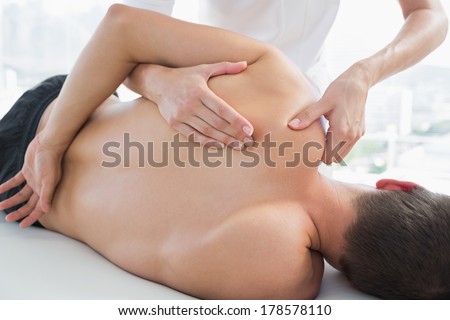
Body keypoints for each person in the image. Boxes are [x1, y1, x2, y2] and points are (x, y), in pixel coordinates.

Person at [0, 4, 449, 299]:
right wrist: (158, 83)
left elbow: (121, 27)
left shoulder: (287, 93)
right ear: (355, 281)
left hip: (59, 115)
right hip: (27, 198)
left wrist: (52, 145)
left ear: (399, 184)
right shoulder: (283, 280)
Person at [123, 0, 448, 164]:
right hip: (210, 115)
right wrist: (161, 85)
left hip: (307, 115)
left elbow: (430, 13)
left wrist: (364, 75)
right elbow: (121, 40)